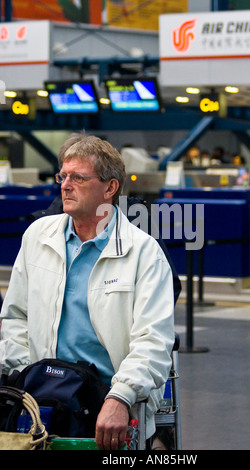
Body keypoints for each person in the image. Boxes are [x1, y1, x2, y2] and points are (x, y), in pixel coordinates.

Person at [0, 132, 175, 450]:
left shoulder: (143, 252)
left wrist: (120, 397)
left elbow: (153, 341)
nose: (65, 185)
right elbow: (15, 316)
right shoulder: (38, 236)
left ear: (110, 188)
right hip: (41, 400)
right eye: (63, 176)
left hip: (107, 403)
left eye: (78, 177)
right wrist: (27, 379)